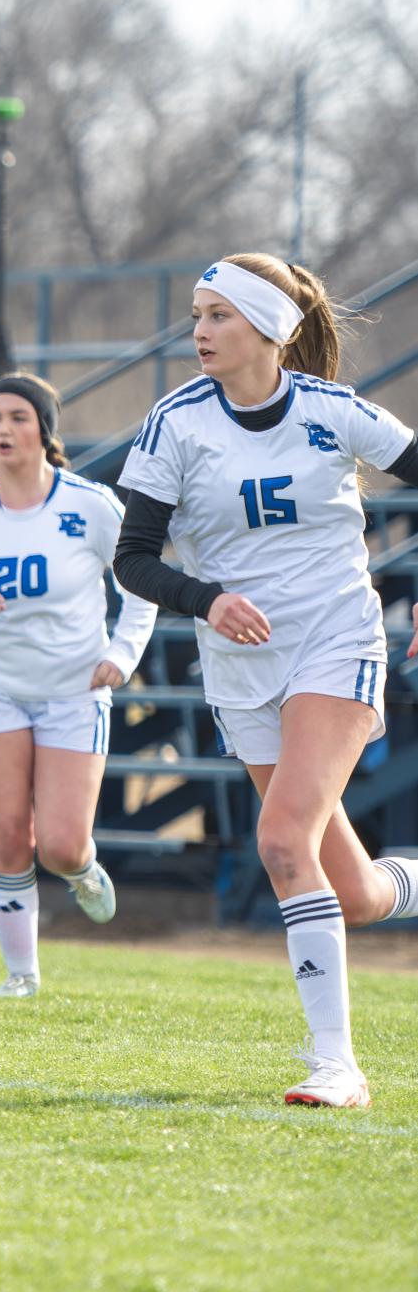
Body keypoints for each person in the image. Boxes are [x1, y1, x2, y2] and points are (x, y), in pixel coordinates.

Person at [114, 254, 418, 1107]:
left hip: (336, 641)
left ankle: (337, 1067)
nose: (199, 332)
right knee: (350, 891)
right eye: (195, 316)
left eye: (216, 316)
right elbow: (132, 559)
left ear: (268, 330)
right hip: (240, 665)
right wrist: (205, 601)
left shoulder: (332, 412)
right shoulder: (174, 424)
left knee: (281, 841)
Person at [0, 374, 157, 998]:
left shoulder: (91, 504)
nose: (2, 429)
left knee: (59, 843)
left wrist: (122, 655)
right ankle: (21, 975)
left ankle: (82, 869)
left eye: (18, 417)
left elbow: (142, 585)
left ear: (45, 431)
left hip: (73, 692)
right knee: (9, 838)